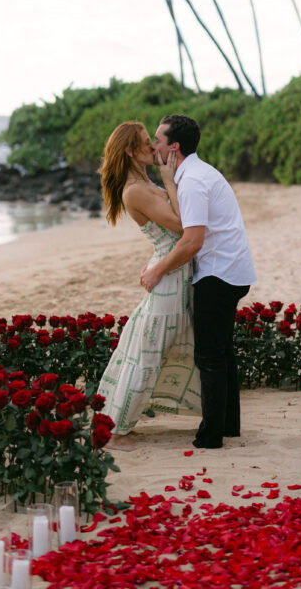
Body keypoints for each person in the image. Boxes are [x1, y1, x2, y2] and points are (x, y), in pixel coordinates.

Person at [141, 114, 257, 449]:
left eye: (157, 141)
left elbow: (192, 241)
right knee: (221, 351)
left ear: (173, 147)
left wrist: (157, 270)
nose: (152, 146)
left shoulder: (192, 181)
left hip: (219, 274)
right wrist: (168, 178)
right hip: (232, 269)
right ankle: (227, 426)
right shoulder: (197, 172)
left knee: (209, 355)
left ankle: (211, 436)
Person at [96, 121, 201, 450]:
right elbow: (183, 224)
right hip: (168, 277)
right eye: (146, 143)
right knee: (148, 352)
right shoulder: (136, 190)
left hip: (170, 269)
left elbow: (166, 234)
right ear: (129, 151)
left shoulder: (143, 182)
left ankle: (119, 424)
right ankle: (117, 432)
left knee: (147, 347)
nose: (153, 148)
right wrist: (170, 179)